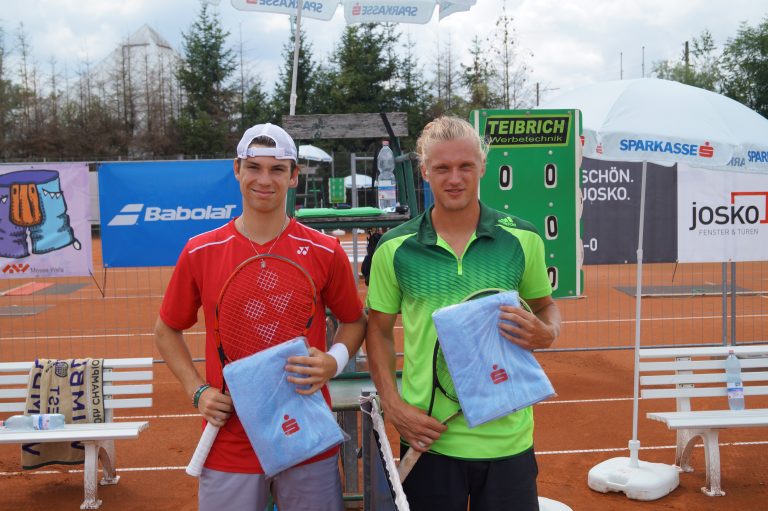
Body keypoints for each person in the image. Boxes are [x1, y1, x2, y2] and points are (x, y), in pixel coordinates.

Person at [155, 123, 366, 511]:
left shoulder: (325, 250)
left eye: (277, 169)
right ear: (237, 170)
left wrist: (333, 362)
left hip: (305, 433)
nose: (264, 179)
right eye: (254, 167)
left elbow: (354, 320)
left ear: (294, 177)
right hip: (229, 441)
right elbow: (167, 330)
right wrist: (197, 391)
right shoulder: (200, 251)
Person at [365, 116, 561, 511]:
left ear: (482, 166)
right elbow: (378, 331)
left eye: (465, 166)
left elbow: (546, 307)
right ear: (425, 171)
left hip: (509, 439)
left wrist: (548, 332)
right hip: (429, 439)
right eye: (442, 168)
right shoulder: (393, 248)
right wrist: (394, 405)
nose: (454, 178)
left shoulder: (523, 238)